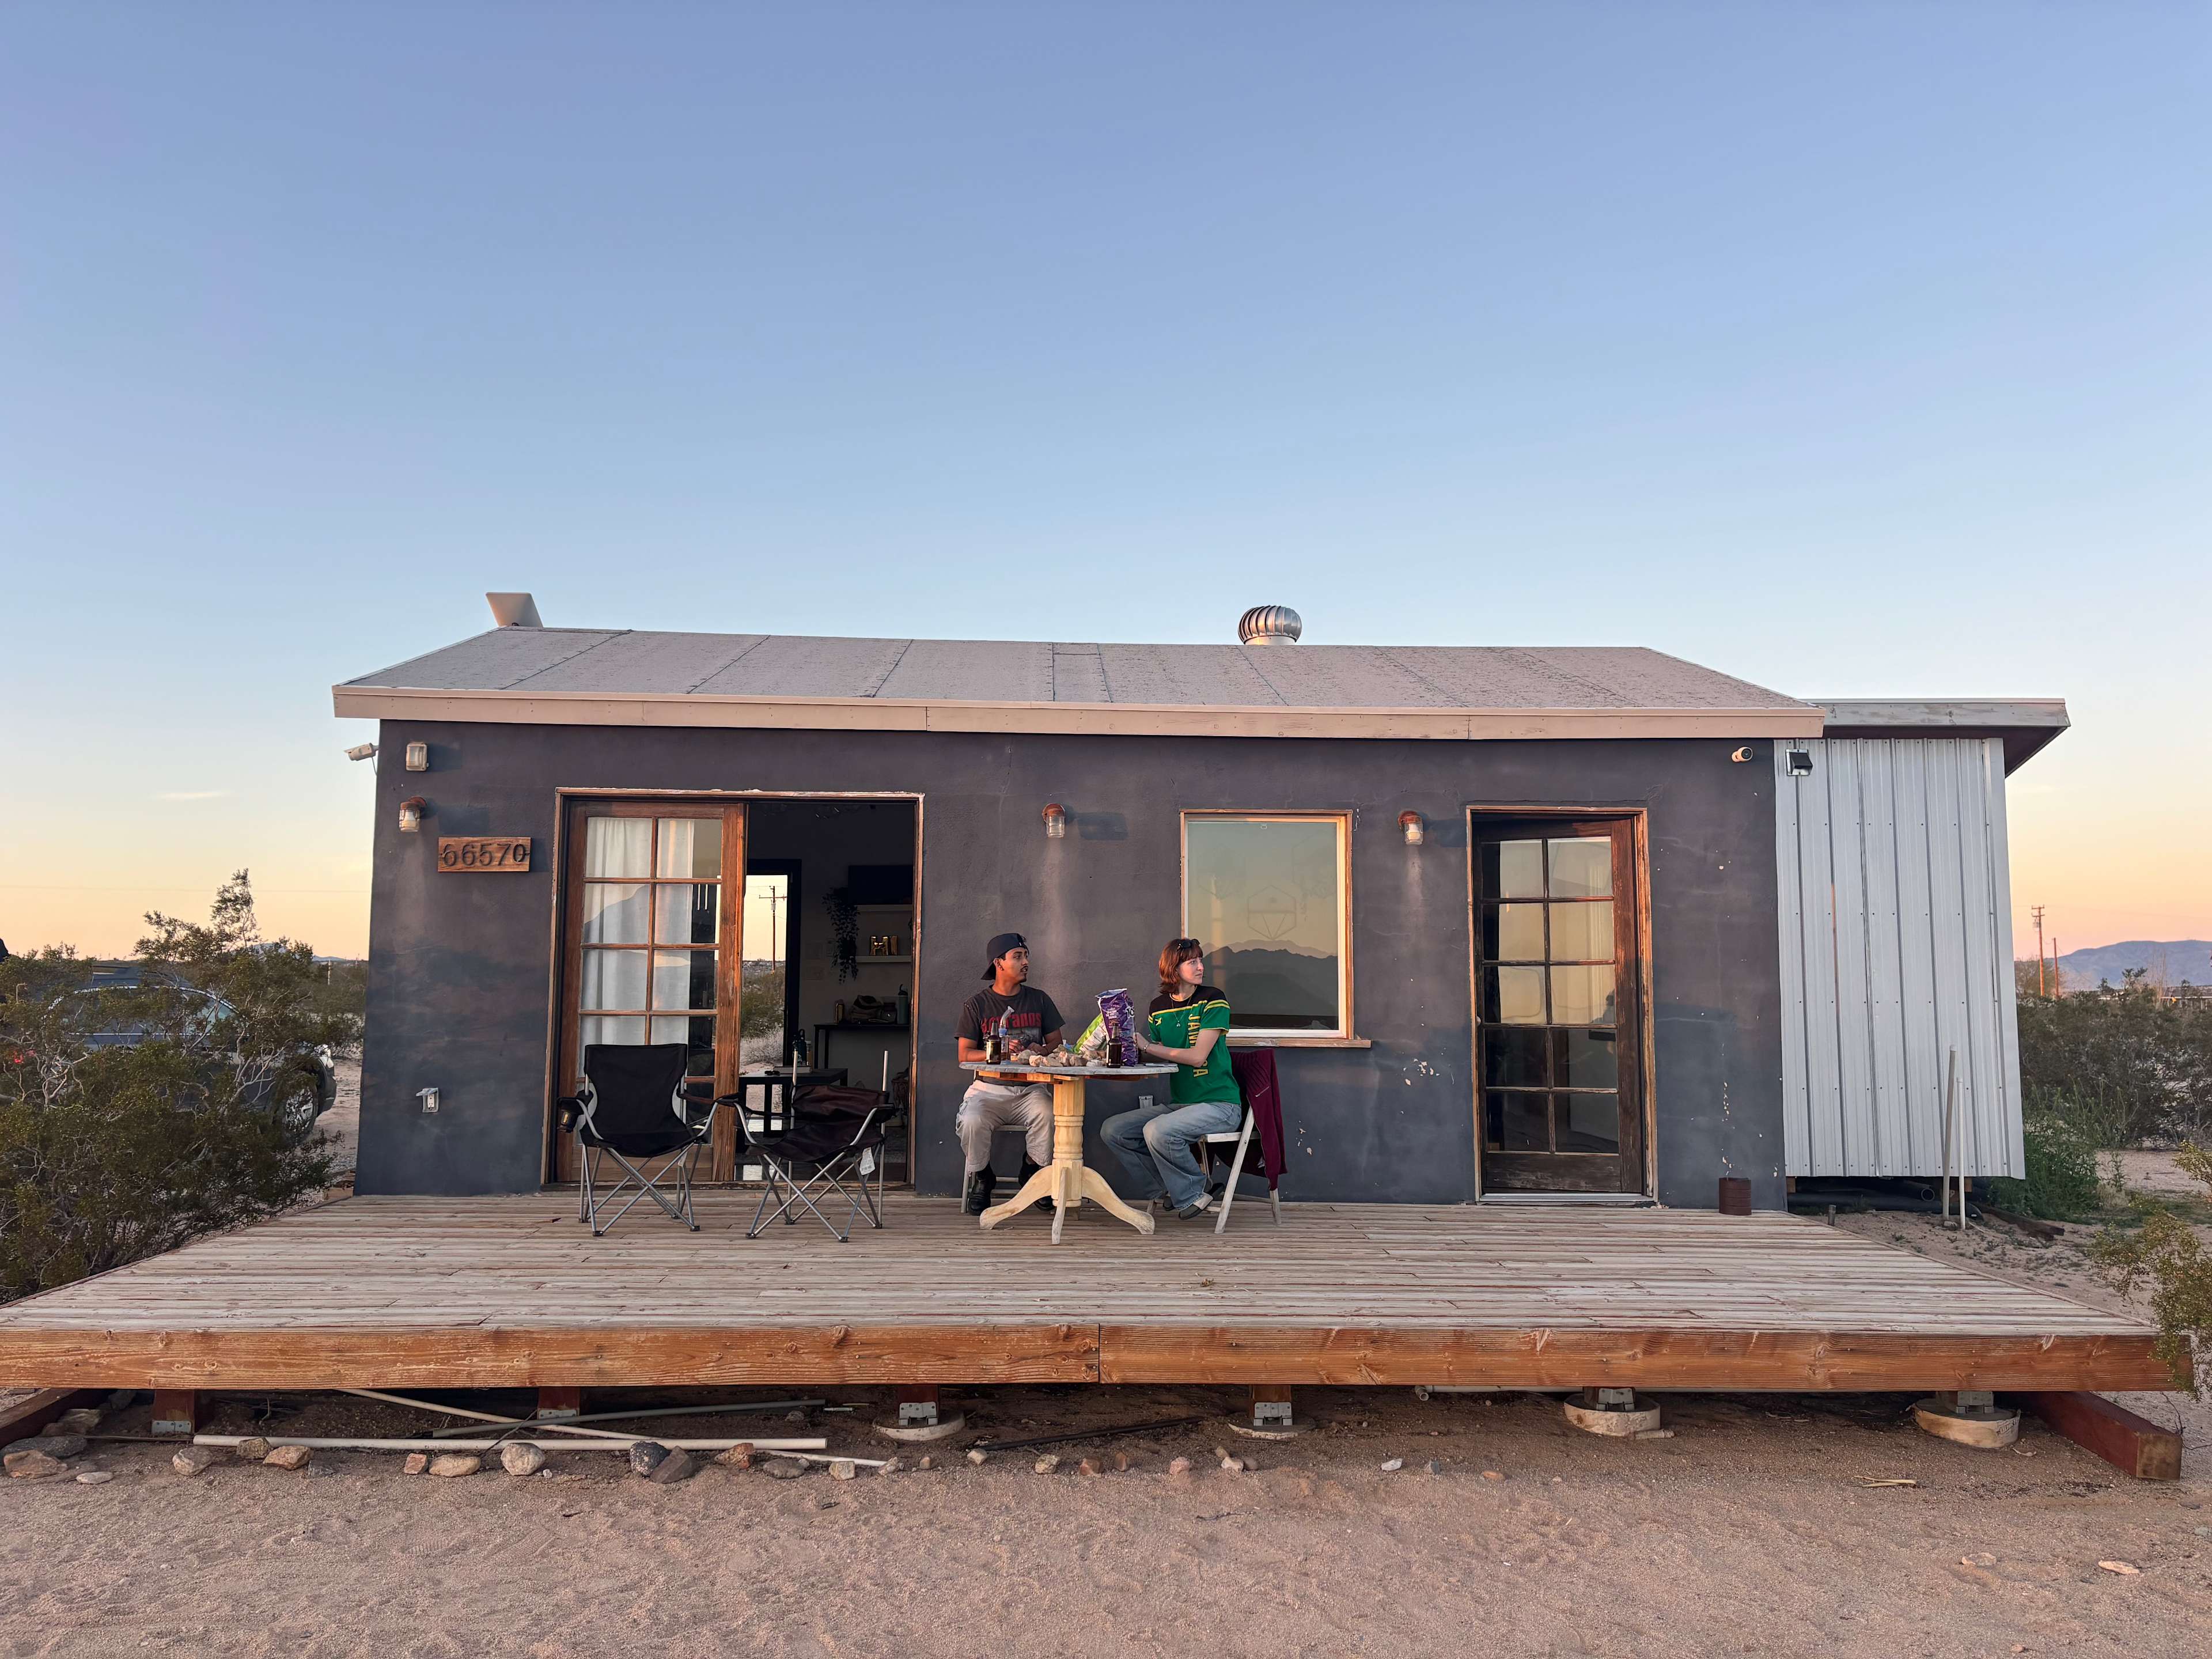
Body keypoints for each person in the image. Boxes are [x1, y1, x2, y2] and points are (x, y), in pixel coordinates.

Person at [1100, 937, 1243, 1221]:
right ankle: (1168, 1189)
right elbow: (1160, 1054)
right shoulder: (1159, 1007)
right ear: (1173, 969)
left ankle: (1193, 1192)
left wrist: (1148, 1047)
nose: (1201, 967)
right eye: (1193, 962)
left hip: (1220, 1105)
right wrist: (1124, 1047)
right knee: (1113, 1130)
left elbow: (1198, 1057)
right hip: (1182, 1106)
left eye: (1200, 961)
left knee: (1158, 1131)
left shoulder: (1213, 999)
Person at [954, 932, 1065, 1215]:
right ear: (998, 963)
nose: (1025, 962)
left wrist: (1043, 1049)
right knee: (971, 1120)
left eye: (1026, 956)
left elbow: (1057, 1042)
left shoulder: (1039, 1000)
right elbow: (964, 1055)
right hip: (988, 1089)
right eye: (1017, 956)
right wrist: (998, 1051)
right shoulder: (977, 1005)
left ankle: (1032, 1171)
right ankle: (983, 1178)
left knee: (1050, 1114)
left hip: (1031, 1089)